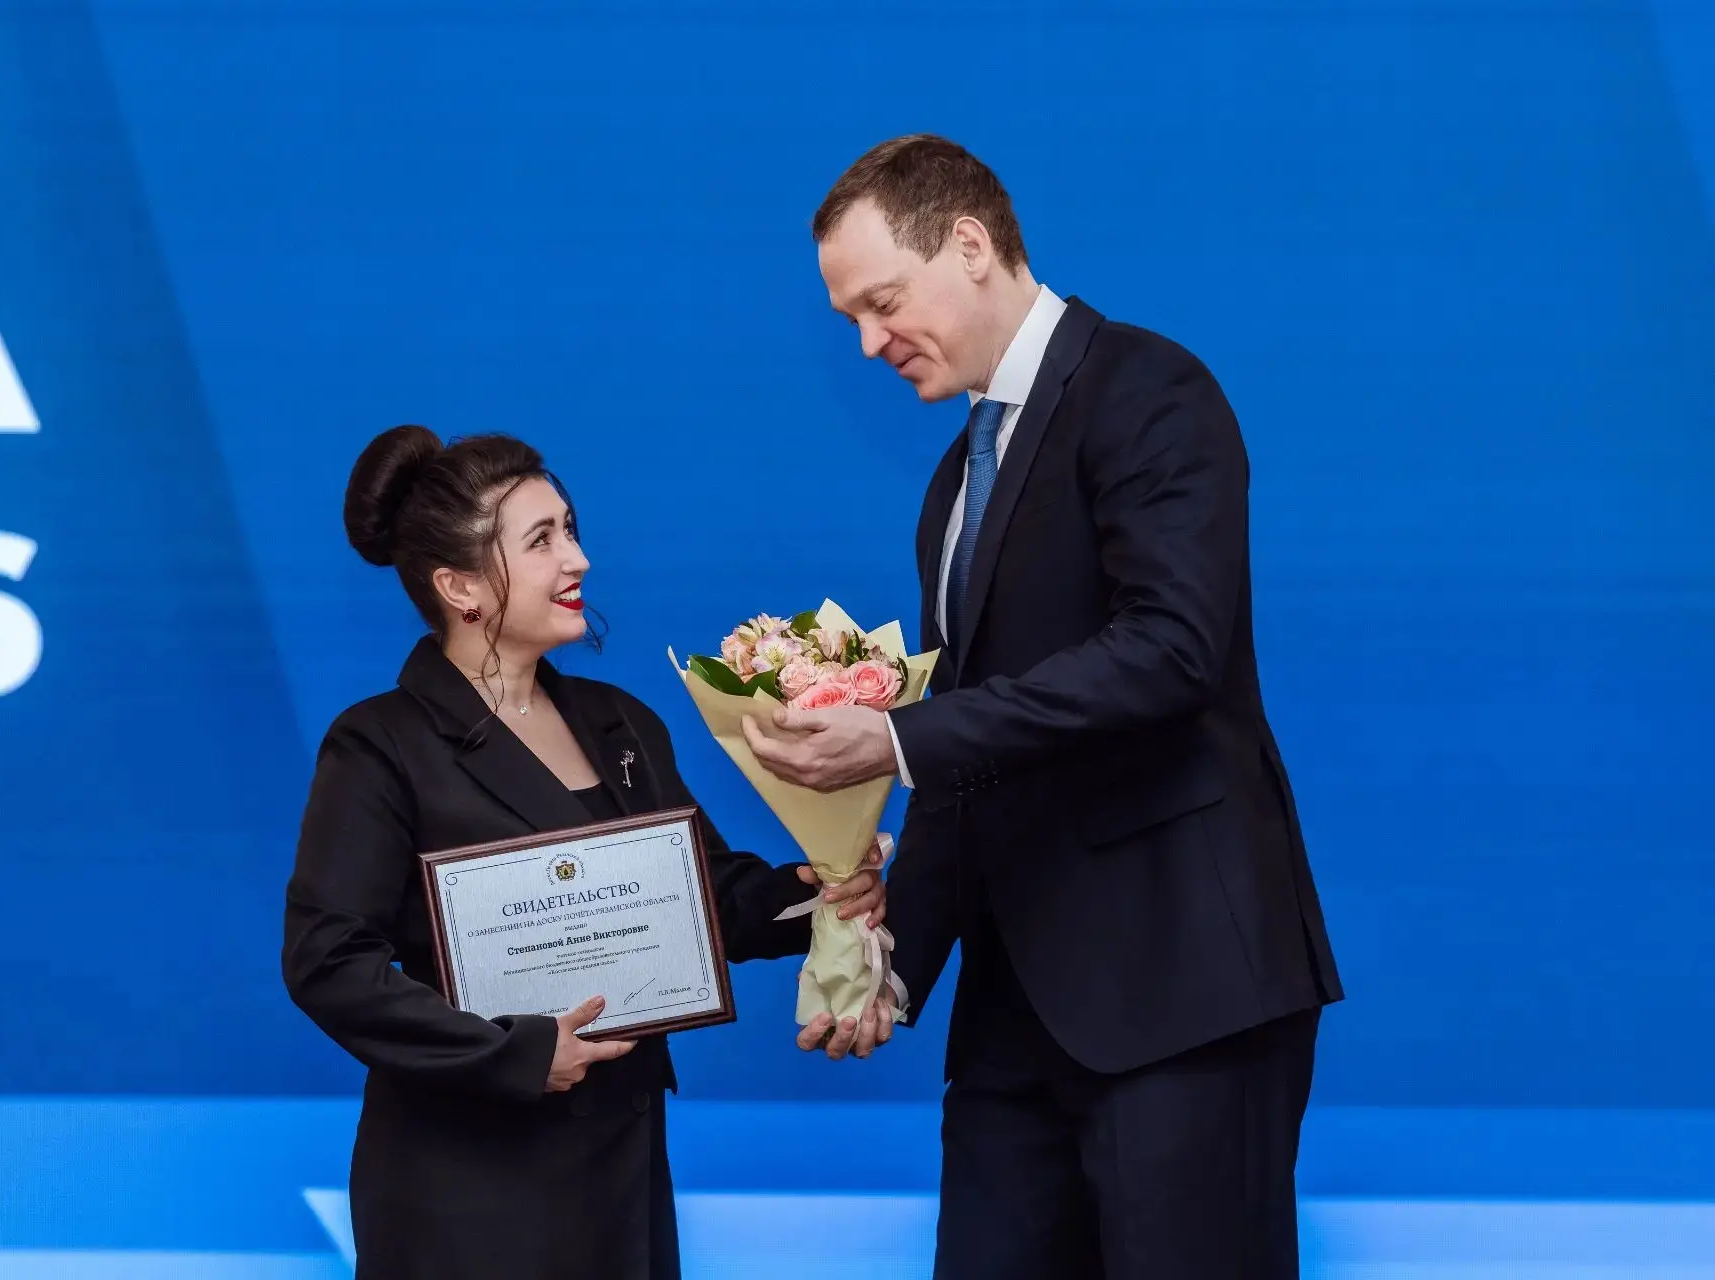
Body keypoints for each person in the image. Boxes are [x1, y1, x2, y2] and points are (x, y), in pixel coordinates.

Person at [741, 135, 1344, 1278]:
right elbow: (967, 756)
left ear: (970, 244)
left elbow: (1170, 651)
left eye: (881, 303)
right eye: (850, 319)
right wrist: (891, 960)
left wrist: (897, 735)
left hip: (1183, 994)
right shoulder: (951, 486)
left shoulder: (1149, 388)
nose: (867, 343)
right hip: (1015, 1018)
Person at [282, 424, 888, 1280]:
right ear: (460, 586)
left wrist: (821, 892)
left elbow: (703, 896)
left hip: (622, 1164)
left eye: (569, 528)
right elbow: (329, 963)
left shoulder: (620, 722)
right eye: (542, 540)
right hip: (467, 1182)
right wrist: (515, 1052)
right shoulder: (381, 744)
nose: (579, 560)